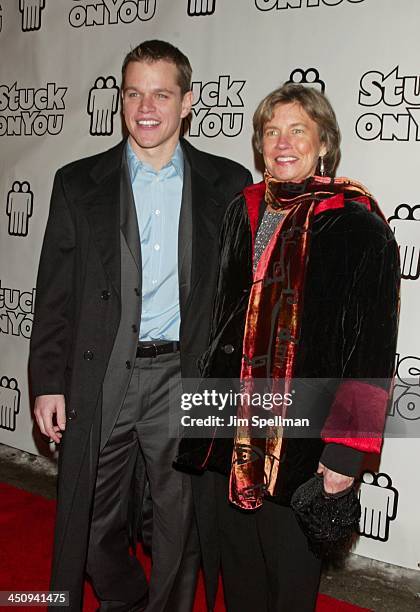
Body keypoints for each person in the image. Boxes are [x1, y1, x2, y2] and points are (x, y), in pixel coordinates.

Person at [29, 39, 252, 612]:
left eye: (161, 93)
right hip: (102, 376)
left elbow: (240, 297)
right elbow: (54, 296)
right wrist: (47, 383)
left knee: (180, 523)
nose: (145, 106)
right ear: (120, 100)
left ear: (188, 102)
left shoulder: (229, 184)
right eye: (133, 93)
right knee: (93, 518)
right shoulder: (78, 182)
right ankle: (123, 594)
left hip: (184, 376)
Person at [176, 83, 400, 611]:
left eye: (298, 129)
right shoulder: (243, 210)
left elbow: (371, 351)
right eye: (271, 131)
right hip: (227, 436)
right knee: (241, 586)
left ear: (324, 142)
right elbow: (217, 324)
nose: (283, 142)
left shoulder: (358, 226)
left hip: (301, 447)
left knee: (290, 591)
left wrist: (345, 454)